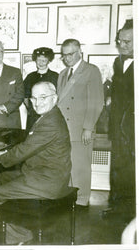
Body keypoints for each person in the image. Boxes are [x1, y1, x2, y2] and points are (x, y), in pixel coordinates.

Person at [0, 82, 72, 228]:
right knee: (2, 178)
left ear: (55, 98)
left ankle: (17, 236)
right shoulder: (49, 115)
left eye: (43, 97)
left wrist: (1, 158)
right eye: (33, 99)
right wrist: (4, 153)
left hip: (49, 180)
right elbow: (30, 145)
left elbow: (26, 148)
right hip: (42, 173)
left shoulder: (51, 122)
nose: (37, 103)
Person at [57, 38, 104, 207]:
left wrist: (88, 128)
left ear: (79, 53)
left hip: (81, 128)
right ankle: (70, 198)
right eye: (64, 55)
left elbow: (97, 102)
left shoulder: (91, 71)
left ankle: (82, 200)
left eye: (70, 54)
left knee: (81, 167)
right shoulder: (63, 74)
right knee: (68, 166)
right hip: (65, 129)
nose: (67, 58)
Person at [102, 19, 135, 221]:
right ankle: (117, 208)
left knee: (132, 171)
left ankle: (132, 213)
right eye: (120, 41)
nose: (122, 45)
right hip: (118, 127)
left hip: (133, 129)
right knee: (117, 168)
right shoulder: (118, 61)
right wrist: (110, 96)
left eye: (128, 42)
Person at [23, 47, 59, 132]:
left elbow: (58, 97)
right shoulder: (30, 76)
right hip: (33, 116)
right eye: (39, 60)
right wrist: (33, 109)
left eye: (44, 61)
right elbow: (25, 96)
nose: (41, 63)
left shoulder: (55, 76)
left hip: (50, 116)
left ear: (49, 61)